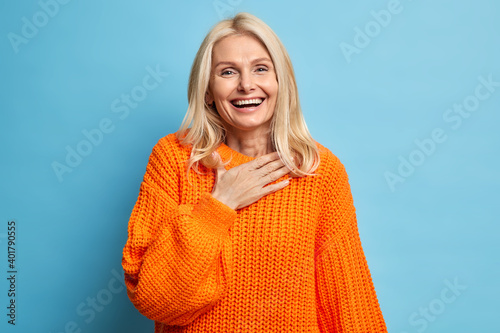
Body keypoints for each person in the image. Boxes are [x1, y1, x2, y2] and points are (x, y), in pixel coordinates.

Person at [122, 12, 387, 333]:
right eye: (228, 72)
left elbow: (348, 301)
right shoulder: (175, 158)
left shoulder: (319, 170)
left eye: (261, 69)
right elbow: (156, 300)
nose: (246, 84)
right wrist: (219, 204)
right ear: (207, 90)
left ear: (280, 82)